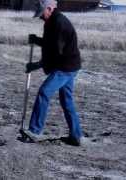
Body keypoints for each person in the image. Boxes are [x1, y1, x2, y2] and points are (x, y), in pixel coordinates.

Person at [23, 0, 83, 146]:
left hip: (66, 67)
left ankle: (35, 131)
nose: (40, 17)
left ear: (49, 8)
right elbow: (51, 43)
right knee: (66, 100)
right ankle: (76, 136)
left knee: (44, 92)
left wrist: (36, 65)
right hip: (69, 65)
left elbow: (56, 52)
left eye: (41, 13)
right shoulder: (51, 22)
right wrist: (37, 40)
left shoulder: (59, 23)